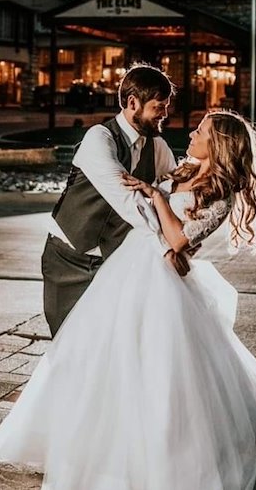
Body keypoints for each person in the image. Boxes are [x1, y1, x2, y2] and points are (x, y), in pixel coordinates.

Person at [0, 109, 256, 489]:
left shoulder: (220, 194)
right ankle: (100, 449)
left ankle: (168, 460)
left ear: (218, 144)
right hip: (128, 268)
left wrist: (157, 197)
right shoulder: (182, 171)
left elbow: (179, 239)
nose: (193, 134)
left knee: (160, 365)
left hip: (162, 281)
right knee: (107, 356)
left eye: (201, 131)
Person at [41, 62, 181, 336]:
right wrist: (165, 246)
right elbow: (128, 201)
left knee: (107, 350)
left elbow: (175, 195)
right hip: (68, 259)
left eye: (166, 106)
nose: (165, 114)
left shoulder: (159, 147)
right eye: (158, 107)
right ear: (132, 102)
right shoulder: (99, 138)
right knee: (66, 348)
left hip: (114, 265)